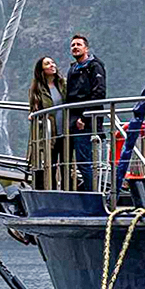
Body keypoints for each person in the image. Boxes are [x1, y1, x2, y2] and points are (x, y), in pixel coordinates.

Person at [64, 33, 107, 192]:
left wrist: (84, 116)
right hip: (72, 121)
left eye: (78, 45)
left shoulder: (94, 66)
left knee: (84, 161)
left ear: (86, 48)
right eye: (73, 45)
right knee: (75, 161)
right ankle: (83, 192)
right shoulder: (73, 68)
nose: (75, 47)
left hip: (86, 122)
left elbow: (99, 92)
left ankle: (92, 195)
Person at [27, 56, 64, 188]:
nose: (52, 65)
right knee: (51, 164)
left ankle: (68, 192)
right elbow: (34, 109)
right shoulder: (37, 88)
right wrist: (33, 114)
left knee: (67, 164)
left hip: (65, 130)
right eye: (47, 64)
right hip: (50, 133)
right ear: (41, 69)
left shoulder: (62, 84)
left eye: (53, 62)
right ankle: (52, 190)